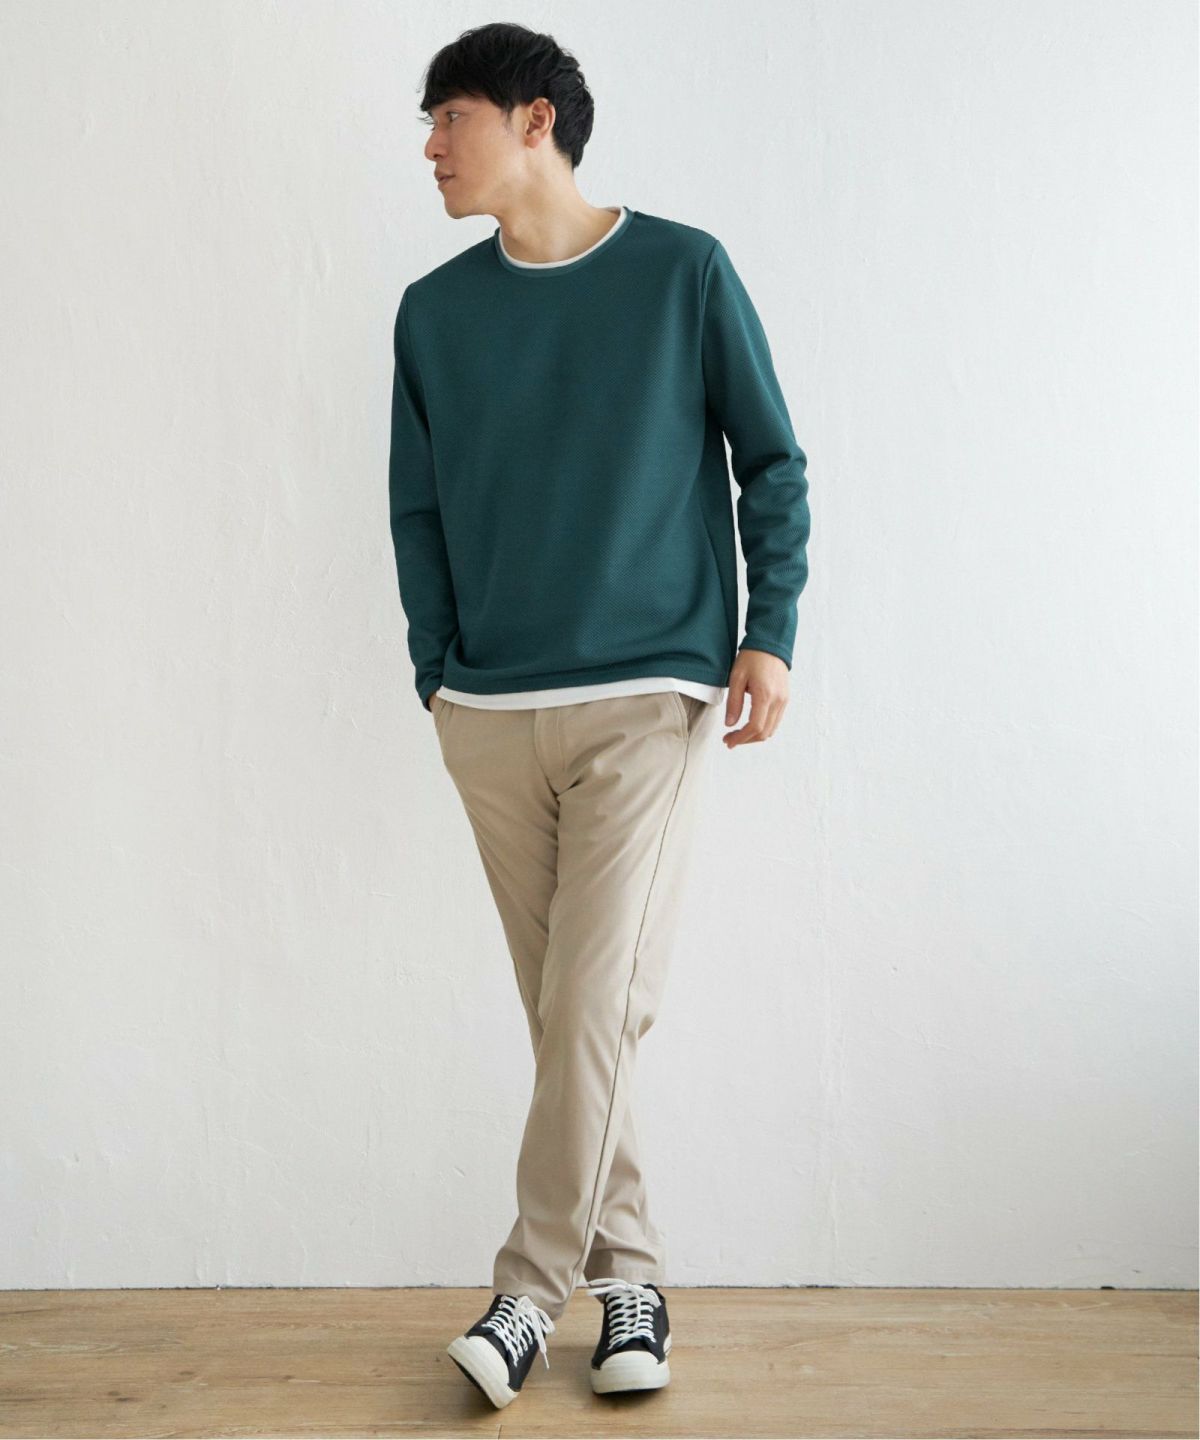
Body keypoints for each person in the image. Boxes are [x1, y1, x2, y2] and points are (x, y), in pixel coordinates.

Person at [388, 21, 811, 1412]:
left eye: (448, 117)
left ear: (534, 121)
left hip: (646, 696)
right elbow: (416, 510)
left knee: (589, 1006)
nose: (430, 148)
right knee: (573, 1017)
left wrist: (768, 632)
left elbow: (771, 461)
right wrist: (438, 672)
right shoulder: (434, 314)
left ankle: (526, 1296)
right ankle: (634, 1279)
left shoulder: (683, 272)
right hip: (489, 712)